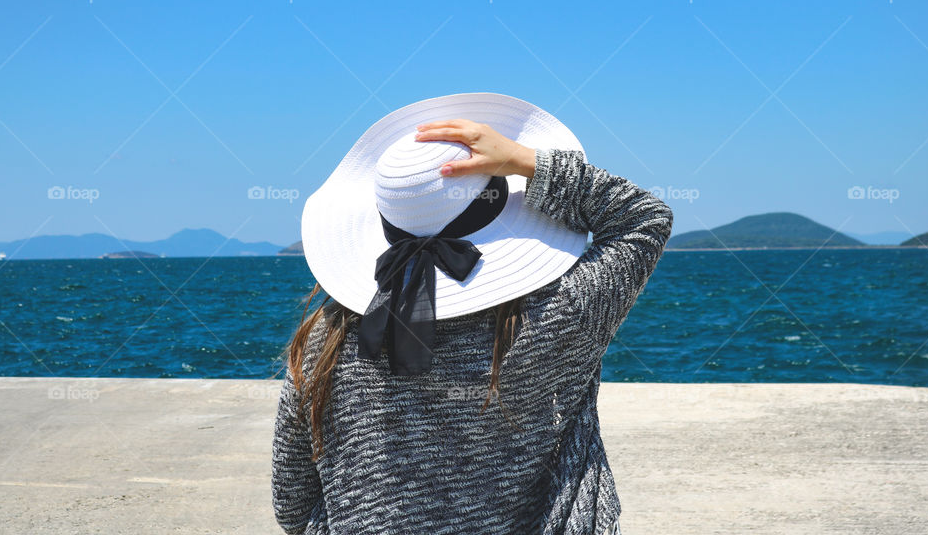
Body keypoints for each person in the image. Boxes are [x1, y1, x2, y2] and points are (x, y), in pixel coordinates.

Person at [272, 93, 673, 534]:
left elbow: (292, 502)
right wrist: (526, 161)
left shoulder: (323, 342)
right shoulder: (560, 315)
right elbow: (644, 219)